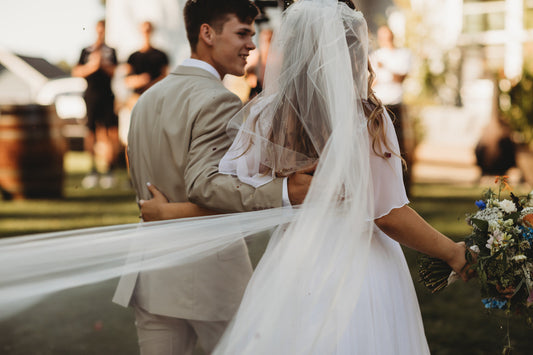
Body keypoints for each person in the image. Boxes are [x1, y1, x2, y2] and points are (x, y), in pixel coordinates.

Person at [139, 0, 470, 354]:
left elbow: (232, 192)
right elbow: (387, 213)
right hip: (360, 267)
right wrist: (453, 251)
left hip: (293, 264)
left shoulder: (268, 115)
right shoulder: (367, 118)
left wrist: (170, 212)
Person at [112, 1, 312, 354]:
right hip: (209, 276)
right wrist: (284, 191)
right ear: (207, 33)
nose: (251, 44)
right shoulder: (217, 100)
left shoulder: (146, 99)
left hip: (152, 275)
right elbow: (206, 187)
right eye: (242, 33)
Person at [72, 20, 120, 189]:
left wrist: (103, 64)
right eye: (98, 30)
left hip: (107, 95)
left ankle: (109, 171)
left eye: (103, 30)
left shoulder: (111, 51)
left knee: (109, 133)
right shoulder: (86, 51)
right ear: (95, 30)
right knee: (90, 132)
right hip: (91, 96)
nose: (100, 33)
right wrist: (93, 66)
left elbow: (115, 72)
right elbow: (76, 71)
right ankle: (92, 170)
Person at [370, 24, 413, 195]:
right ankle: (384, 187)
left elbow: (400, 78)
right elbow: (371, 82)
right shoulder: (374, 56)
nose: (384, 39)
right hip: (379, 106)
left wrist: (384, 68)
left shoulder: (403, 54)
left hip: (396, 105)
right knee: (379, 147)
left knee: (401, 148)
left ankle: (404, 187)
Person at [119, 21, 169, 148]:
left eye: (148, 30)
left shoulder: (161, 55)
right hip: (137, 99)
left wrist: (151, 83)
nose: (146, 33)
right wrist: (140, 80)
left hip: (156, 99)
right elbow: (127, 81)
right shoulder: (133, 57)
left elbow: (167, 78)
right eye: (144, 30)